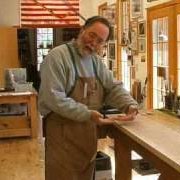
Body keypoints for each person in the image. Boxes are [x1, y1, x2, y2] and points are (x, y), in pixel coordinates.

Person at [38, 16, 138, 180]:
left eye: (100, 41)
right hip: (62, 136)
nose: (93, 43)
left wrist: (129, 105)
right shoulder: (58, 57)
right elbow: (54, 98)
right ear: (82, 30)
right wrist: (88, 114)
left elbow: (112, 87)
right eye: (92, 35)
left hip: (87, 137)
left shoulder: (95, 62)